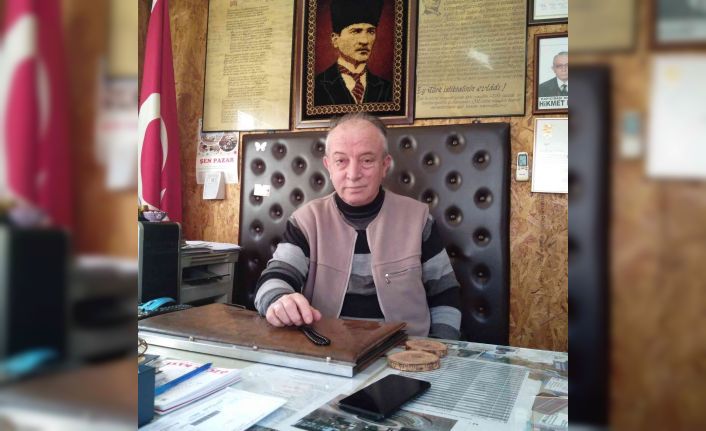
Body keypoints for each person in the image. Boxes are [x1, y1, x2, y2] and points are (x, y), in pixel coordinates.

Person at [254, 113, 462, 339]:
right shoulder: (306, 220)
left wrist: (441, 348)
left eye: (367, 160)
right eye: (341, 161)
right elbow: (275, 277)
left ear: (385, 165)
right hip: (327, 348)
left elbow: (446, 294)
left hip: (406, 350)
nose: (353, 175)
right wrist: (278, 300)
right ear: (328, 166)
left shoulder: (418, 219)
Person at [314, 0, 393, 106]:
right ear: (335, 40)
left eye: (371, 31)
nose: (364, 41)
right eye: (356, 31)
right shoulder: (316, 86)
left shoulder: (388, 88)